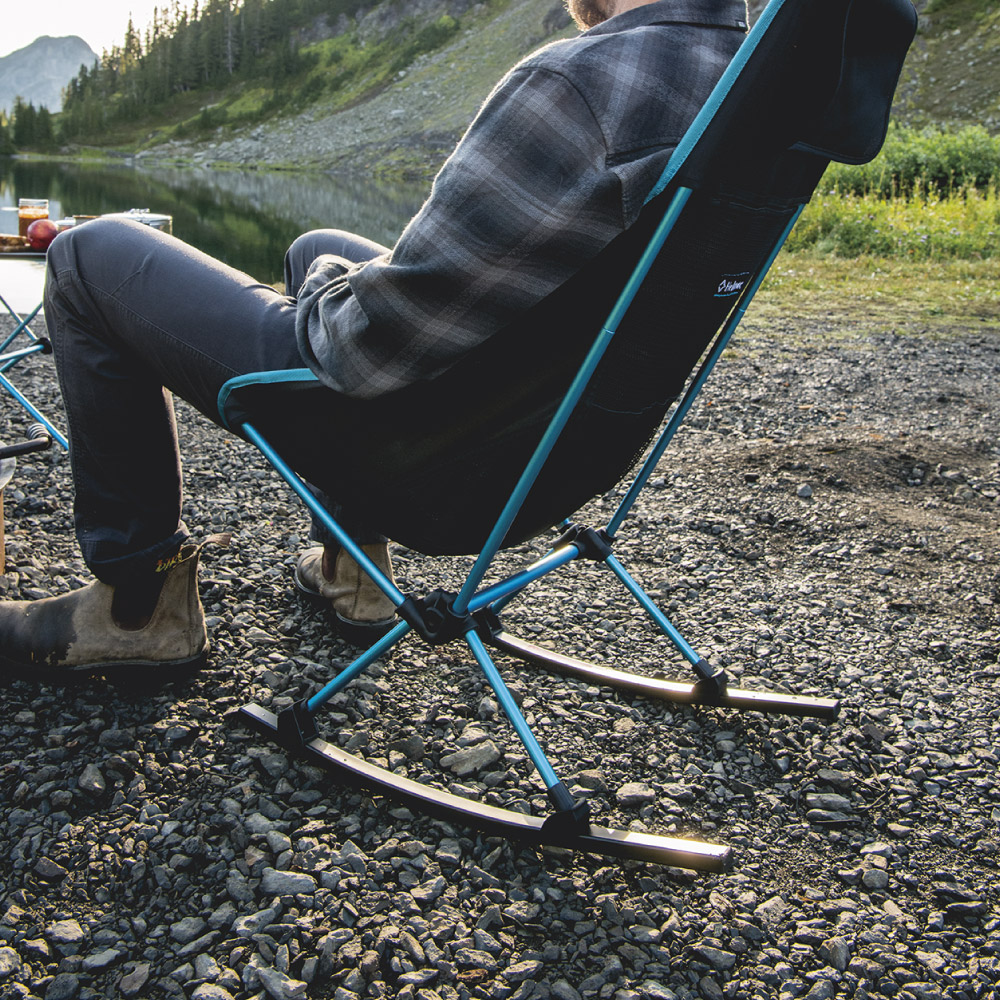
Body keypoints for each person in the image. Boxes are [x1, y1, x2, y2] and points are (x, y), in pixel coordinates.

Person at [0, 0, 749, 682]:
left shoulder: (578, 85)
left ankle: (139, 605)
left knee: (87, 256)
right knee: (318, 240)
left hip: (432, 459)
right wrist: (330, 270)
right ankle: (349, 570)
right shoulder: (751, 81)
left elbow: (362, 350)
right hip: (553, 451)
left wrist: (326, 283)